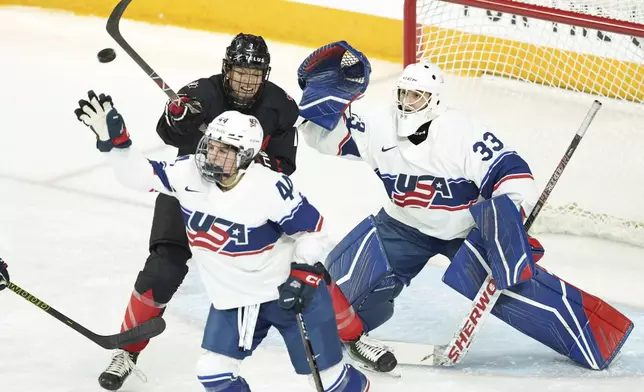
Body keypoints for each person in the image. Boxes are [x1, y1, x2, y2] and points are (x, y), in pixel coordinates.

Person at [74, 91, 371, 392]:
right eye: (211, 146)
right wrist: (117, 147)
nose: (212, 156)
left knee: (331, 381)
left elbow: (316, 231)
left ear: (246, 155)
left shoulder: (269, 187)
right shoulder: (187, 173)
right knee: (213, 372)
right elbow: (137, 177)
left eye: (225, 150)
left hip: (288, 294)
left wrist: (300, 274)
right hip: (235, 299)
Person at [298, 59, 544, 372]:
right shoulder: (379, 125)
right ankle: (356, 334)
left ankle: (583, 328)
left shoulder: (462, 132)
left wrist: (510, 219)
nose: (406, 102)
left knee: (522, 290)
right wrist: (318, 105)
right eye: (403, 93)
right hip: (403, 225)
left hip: (464, 232)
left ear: (435, 100)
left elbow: (512, 171)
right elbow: (323, 138)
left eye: (416, 96)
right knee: (335, 307)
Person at [95, 33, 299, 390]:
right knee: (163, 269)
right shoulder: (201, 93)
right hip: (190, 191)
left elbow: (285, 165)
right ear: (226, 70)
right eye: (239, 73)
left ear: (264, 75)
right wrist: (177, 117)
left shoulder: (280, 105)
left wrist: (257, 161)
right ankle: (127, 350)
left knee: (291, 268)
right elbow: (169, 134)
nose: (247, 82)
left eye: (254, 74)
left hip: (245, 203)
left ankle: (343, 336)